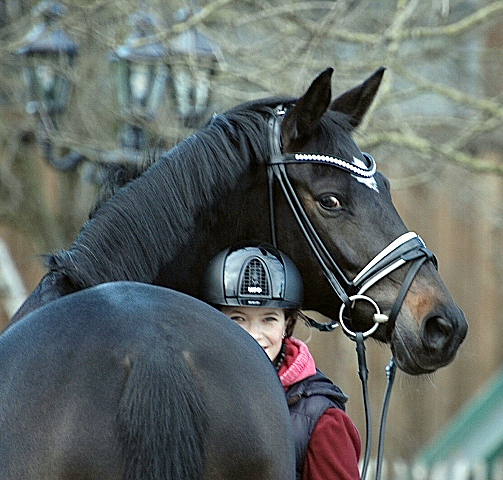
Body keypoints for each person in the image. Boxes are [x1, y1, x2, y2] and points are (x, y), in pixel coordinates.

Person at [203, 242, 361, 480]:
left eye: (268, 319)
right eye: (237, 318)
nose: (254, 335)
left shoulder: (322, 419)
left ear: (287, 325)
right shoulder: (193, 393)